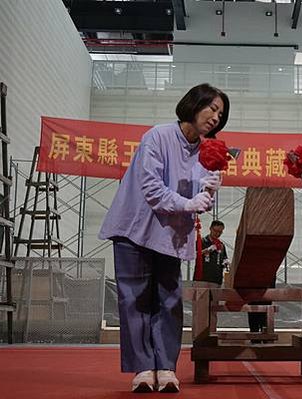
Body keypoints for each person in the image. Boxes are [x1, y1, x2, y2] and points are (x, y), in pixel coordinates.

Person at [98, 83, 229, 393]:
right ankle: (143, 367)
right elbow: (152, 188)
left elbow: (200, 199)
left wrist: (209, 190)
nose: (215, 117)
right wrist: (189, 203)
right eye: (211, 108)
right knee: (135, 299)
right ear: (193, 104)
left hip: (171, 234)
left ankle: (167, 367)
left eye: (220, 114)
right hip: (136, 228)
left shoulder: (206, 151)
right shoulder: (157, 136)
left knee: (169, 300)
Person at [193, 220, 229, 288]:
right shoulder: (201, 241)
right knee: (202, 298)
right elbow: (192, 255)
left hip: (216, 280)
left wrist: (225, 262)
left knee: (215, 298)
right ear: (210, 228)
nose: (217, 234)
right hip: (202, 279)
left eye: (220, 232)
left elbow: (224, 257)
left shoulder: (221, 245)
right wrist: (205, 251)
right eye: (215, 231)